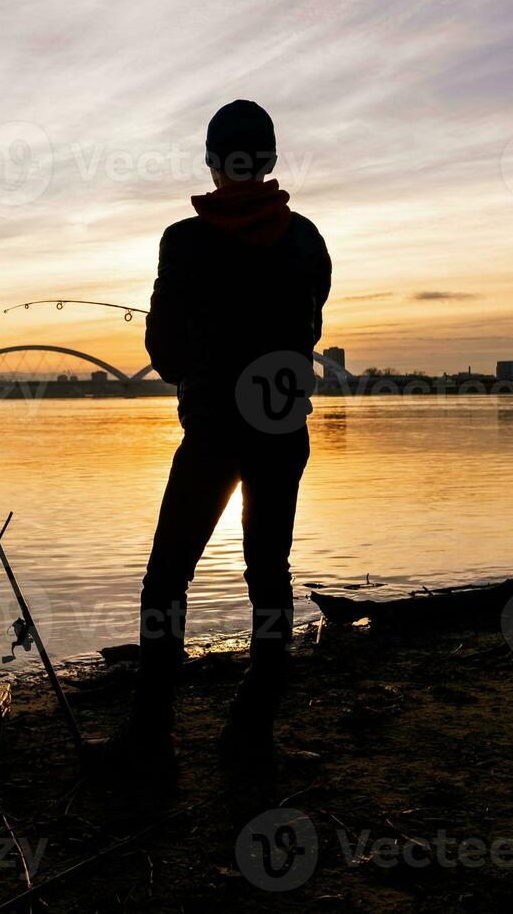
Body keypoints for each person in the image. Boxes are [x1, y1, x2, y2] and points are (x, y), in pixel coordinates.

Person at [108, 99, 332, 793]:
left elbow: (167, 356)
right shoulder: (307, 240)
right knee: (270, 577)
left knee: (166, 580)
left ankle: (151, 737)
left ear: (212, 160)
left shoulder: (185, 240)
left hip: (210, 438)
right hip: (281, 433)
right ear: (268, 161)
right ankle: (251, 732)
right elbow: (308, 333)